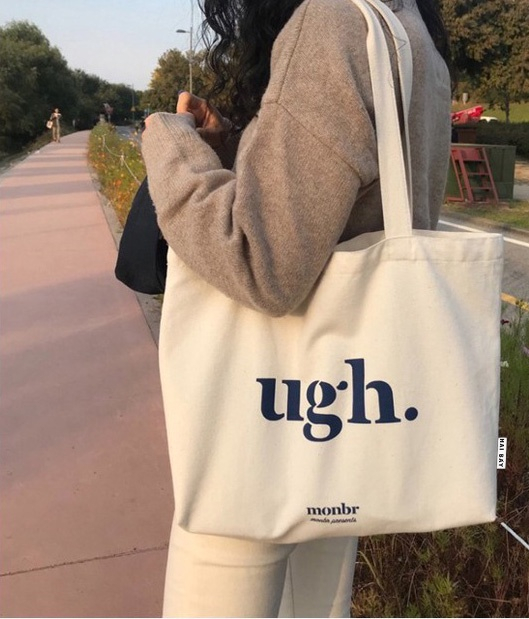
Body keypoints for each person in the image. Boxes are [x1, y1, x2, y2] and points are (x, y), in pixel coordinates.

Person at [141, 0, 452, 616]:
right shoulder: (411, 33)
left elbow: (260, 261)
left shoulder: (331, 23)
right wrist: (237, 148)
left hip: (259, 428)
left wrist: (171, 144)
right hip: (345, 425)